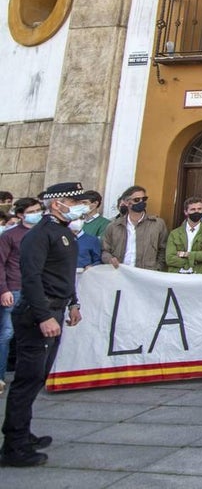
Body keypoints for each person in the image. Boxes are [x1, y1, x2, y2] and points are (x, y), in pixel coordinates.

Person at [0, 182, 86, 467]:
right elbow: (32, 277)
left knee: (38, 377)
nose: (79, 207)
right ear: (58, 203)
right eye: (75, 202)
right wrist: (44, 316)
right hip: (38, 313)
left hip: (56, 307)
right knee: (27, 380)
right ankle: (14, 445)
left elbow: (64, 275)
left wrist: (73, 302)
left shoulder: (64, 233)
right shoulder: (39, 235)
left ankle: (23, 433)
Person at [0, 198, 44, 396]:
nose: (37, 213)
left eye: (38, 209)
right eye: (32, 210)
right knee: (7, 333)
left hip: (38, 290)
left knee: (32, 335)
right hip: (15, 288)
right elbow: (1, 263)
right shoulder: (10, 236)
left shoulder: (43, 233)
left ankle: (28, 376)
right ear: (20, 215)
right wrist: (4, 289)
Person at [102, 186, 169, 271]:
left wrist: (157, 268)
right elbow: (105, 250)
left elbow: (163, 249)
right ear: (126, 202)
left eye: (144, 199)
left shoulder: (157, 224)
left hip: (146, 274)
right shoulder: (114, 226)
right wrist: (110, 259)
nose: (141, 202)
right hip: (120, 272)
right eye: (136, 200)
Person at [165, 197, 202, 274]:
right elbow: (169, 259)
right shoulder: (174, 233)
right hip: (178, 275)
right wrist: (197, 259)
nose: (196, 211)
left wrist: (185, 254)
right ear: (186, 212)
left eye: (199, 209)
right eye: (193, 209)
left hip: (201, 275)